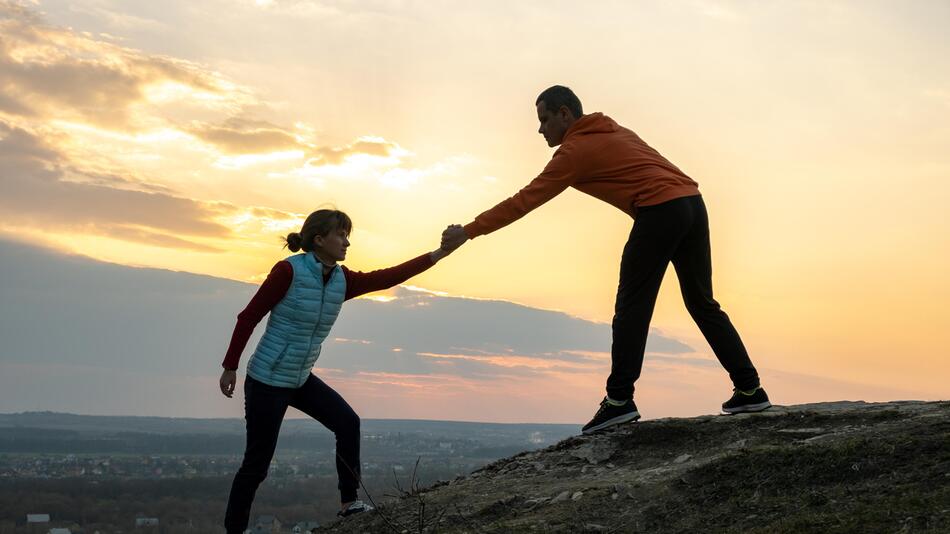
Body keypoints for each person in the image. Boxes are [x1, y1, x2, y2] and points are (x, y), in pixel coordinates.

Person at [441, 85, 770, 435]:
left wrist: (470, 231)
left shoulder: (573, 153)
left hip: (659, 211)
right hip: (692, 203)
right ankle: (750, 389)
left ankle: (619, 401)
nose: (540, 130)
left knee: (632, 307)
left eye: (544, 119)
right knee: (702, 303)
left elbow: (524, 201)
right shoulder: (615, 129)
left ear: (565, 114)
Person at [219, 209, 458, 533]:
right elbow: (248, 316)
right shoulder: (288, 271)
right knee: (257, 464)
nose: (347, 242)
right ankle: (235, 529)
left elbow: (389, 277)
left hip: (299, 377)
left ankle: (349, 504)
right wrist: (230, 366)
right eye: (341, 234)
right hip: (267, 380)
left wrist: (440, 253)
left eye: (348, 235)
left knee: (348, 423)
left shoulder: (343, 280)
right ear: (319, 239)